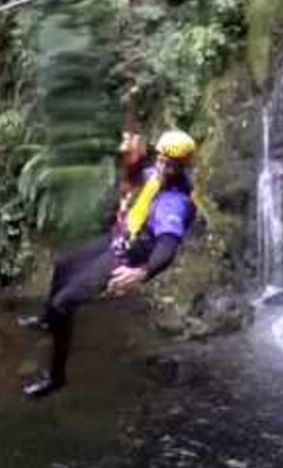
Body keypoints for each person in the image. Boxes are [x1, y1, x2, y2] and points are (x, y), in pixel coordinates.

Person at [18, 129, 198, 398]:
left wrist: (142, 272)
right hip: (120, 238)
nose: (162, 166)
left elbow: (167, 247)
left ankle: (56, 378)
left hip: (128, 255)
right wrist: (132, 159)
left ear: (182, 167)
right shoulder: (158, 175)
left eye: (169, 164)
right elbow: (138, 176)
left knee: (64, 302)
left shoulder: (174, 203)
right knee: (64, 261)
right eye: (160, 159)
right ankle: (47, 321)